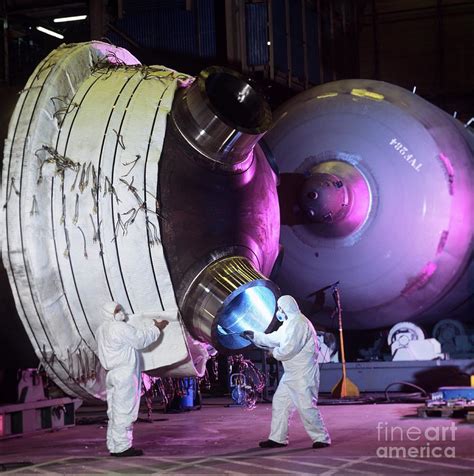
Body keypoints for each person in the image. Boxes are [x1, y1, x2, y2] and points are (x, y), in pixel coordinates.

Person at [242, 295, 331, 449]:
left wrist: (273, 353)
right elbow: (274, 338)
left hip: (303, 374)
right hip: (291, 374)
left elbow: (289, 349)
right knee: (280, 403)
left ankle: (322, 438)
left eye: (280, 308)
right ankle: (278, 438)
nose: (278, 311)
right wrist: (255, 336)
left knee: (306, 406)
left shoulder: (300, 324)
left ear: (286, 308)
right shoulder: (290, 323)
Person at [96, 301, 169, 457]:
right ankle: (123, 447)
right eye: (117, 310)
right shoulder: (118, 327)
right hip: (124, 374)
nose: (121, 312)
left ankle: (114, 445)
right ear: (110, 313)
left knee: (114, 412)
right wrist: (157, 328)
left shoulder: (101, 329)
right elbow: (140, 339)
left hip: (111, 374)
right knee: (125, 411)